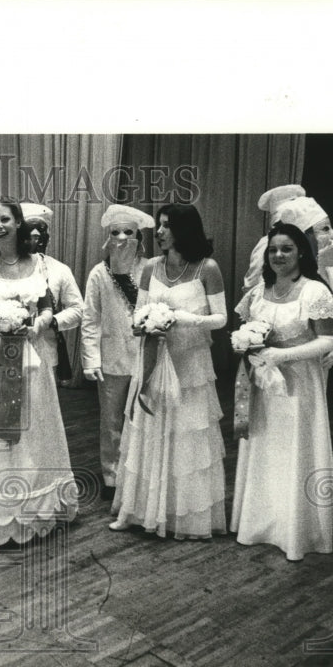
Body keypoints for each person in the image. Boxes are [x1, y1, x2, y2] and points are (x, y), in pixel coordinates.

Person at [0, 197, 78, 545]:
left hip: (29, 360)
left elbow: (50, 309)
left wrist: (35, 325)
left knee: (32, 432)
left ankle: (32, 507)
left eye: (5, 219)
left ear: (18, 222)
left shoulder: (37, 263)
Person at [109, 203, 226, 539]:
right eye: (158, 226)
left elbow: (221, 319)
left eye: (165, 226)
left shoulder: (208, 268)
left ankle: (181, 515)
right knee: (147, 430)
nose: (158, 232)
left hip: (190, 363)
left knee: (186, 433)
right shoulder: (150, 268)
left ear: (183, 230)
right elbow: (138, 312)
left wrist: (182, 319)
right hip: (154, 358)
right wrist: (146, 324)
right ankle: (136, 510)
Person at [231, 222, 333, 560]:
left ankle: (295, 529)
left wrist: (283, 355)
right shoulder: (257, 292)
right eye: (273, 250)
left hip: (299, 385)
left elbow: (329, 339)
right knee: (265, 448)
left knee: (296, 448)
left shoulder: (316, 291)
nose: (278, 255)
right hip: (264, 386)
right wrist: (248, 345)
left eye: (286, 249)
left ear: (300, 253)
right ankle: (261, 522)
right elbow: (244, 327)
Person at [81, 204, 155, 500]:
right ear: (107, 236)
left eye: (129, 232)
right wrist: (90, 359)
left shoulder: (150, 268)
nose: (122, 238)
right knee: (112, 421)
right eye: (116, 232)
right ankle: (112, 476)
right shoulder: (99, 273)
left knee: (144, 418)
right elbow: (90, 318)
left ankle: (141, 475)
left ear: (139, 236)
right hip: (110, 356)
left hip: (145, 355)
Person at [242, 185, 333, 370]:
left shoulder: (328, 270)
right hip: (272, 358)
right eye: (324, 229)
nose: (332, 235)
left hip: (314, 361)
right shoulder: (271, 269)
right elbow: (257, 306)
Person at [20, 203, 83, 382]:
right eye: (31, 230)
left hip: (47, 350)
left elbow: (78, 309)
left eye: (42, 230)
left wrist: (52, 322)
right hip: (9, 347)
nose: (37, 236)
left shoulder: (60, 270)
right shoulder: (4, 267)